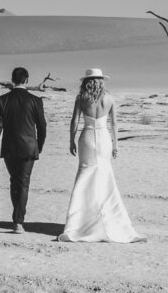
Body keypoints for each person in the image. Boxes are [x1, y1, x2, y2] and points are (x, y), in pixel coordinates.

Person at [57, 69, 144, 243]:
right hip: (104, 139)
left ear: (86, 82)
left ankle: (79, 223)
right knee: (104, 175)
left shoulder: (81, 98)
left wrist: (71, 141)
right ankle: (108, 219)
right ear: (101, 81)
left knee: (84, 176)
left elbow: (74, 121)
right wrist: (116, 145)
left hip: (87, 137)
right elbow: (114, 124)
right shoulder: (109, 98)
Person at [0, 67, 47, 234]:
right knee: (23, 183)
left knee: (14, 181)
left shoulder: (2, 100)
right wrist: (38, 147)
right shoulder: (36, 100)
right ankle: (18, 221)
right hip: (29, 148)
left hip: (10, 148)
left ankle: (17, 219)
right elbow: (42, 127)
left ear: (13, 80)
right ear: (27, 80)